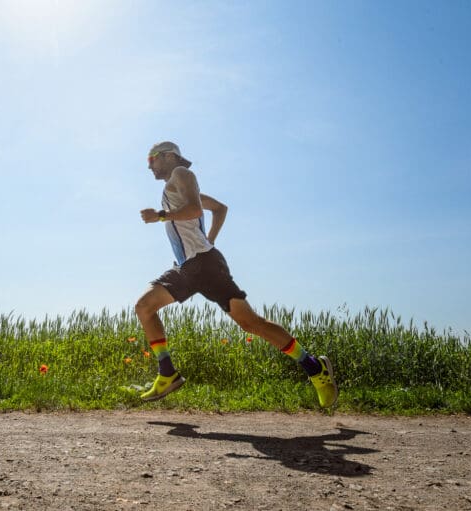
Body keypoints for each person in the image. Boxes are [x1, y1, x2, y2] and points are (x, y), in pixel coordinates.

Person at [135, 141, 338, 408]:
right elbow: (219, 208)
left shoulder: (181, 175)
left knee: (251, 323)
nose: (149, 165)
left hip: (205, 266)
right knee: (145, 306)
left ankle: (315, 368)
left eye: (152, 159)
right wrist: (208, 241)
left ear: (169, 156)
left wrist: (161, 216)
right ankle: (167, 373)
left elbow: (196, 210)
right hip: (189, 266)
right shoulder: (176, 186)